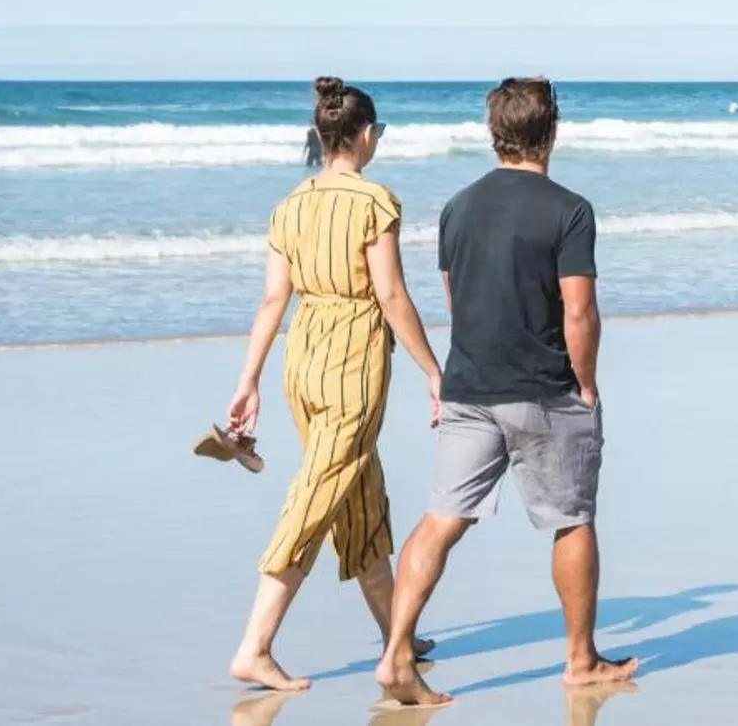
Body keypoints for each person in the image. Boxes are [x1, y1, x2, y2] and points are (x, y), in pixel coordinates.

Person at [378, 79, 635, 704]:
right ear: (551, 130)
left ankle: (394, 655)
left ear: (494, 132)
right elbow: (579, 312)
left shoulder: (457, 207)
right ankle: (580, 661)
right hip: (543, 388)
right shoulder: (569, 209)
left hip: (468, 383)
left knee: (442, 519)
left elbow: (454, 297)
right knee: (572, 519)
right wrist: (588, 383)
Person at [222, 78, 443, 691]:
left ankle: (398, 635)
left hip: (303, 355)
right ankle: (255, 645)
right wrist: (433, 371)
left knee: (358, 495)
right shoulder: (375, 201)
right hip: (353, 358)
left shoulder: (289, 205)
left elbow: (272, 299)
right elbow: (391, 295)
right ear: (366, 135)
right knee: (318, 493)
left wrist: (249, 381)